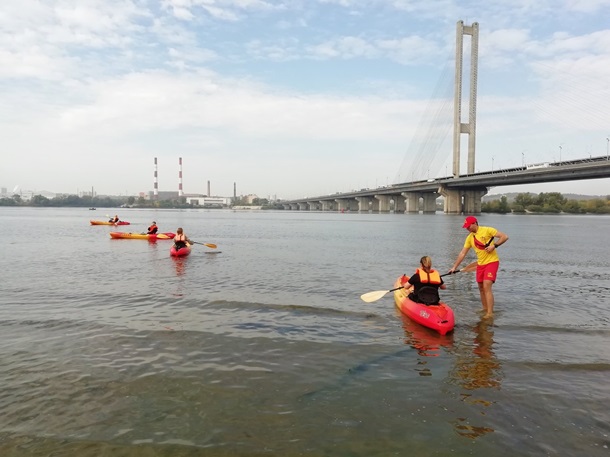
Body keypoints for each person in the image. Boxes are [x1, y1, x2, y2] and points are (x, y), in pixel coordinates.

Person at [449, 216, 509, 319]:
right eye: (466, 227)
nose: (467, 229)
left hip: (492, 262)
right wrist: (454, 267)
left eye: (468, 226)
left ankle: (490, 313)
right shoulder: (470, 238)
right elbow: (463, 253)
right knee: (481, 288)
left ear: (474, 223)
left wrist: (494, 246)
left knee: (486, 286)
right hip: (480, 264)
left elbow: (504, 236)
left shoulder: (487, 230)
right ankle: (485, 309)